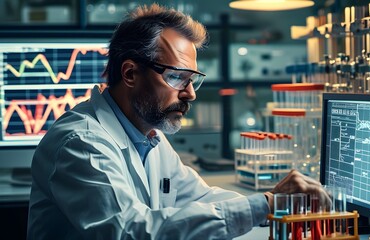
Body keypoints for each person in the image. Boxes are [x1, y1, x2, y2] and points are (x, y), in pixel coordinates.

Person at [27, 4, 329, 240]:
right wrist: (264, 204)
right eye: (176, 77)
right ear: (131, 74)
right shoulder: (82, 143)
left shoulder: (148, 135)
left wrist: (269, 205)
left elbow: (198, 197)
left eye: (192, 79)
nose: (191, 94)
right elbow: (131, 232)